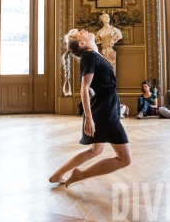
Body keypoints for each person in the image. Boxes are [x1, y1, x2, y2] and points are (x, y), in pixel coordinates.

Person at [50, 29, 131, 187]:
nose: (83, 30)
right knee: (124, 159)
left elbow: (93, 86)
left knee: (95, 150)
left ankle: (57, 175)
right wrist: (89, 117)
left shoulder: (94, 55)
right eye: (79, 33)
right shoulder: (91, 56)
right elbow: (85, 88)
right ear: (82, 43)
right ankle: (80, 174)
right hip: (104, 110)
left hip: (104, 106)